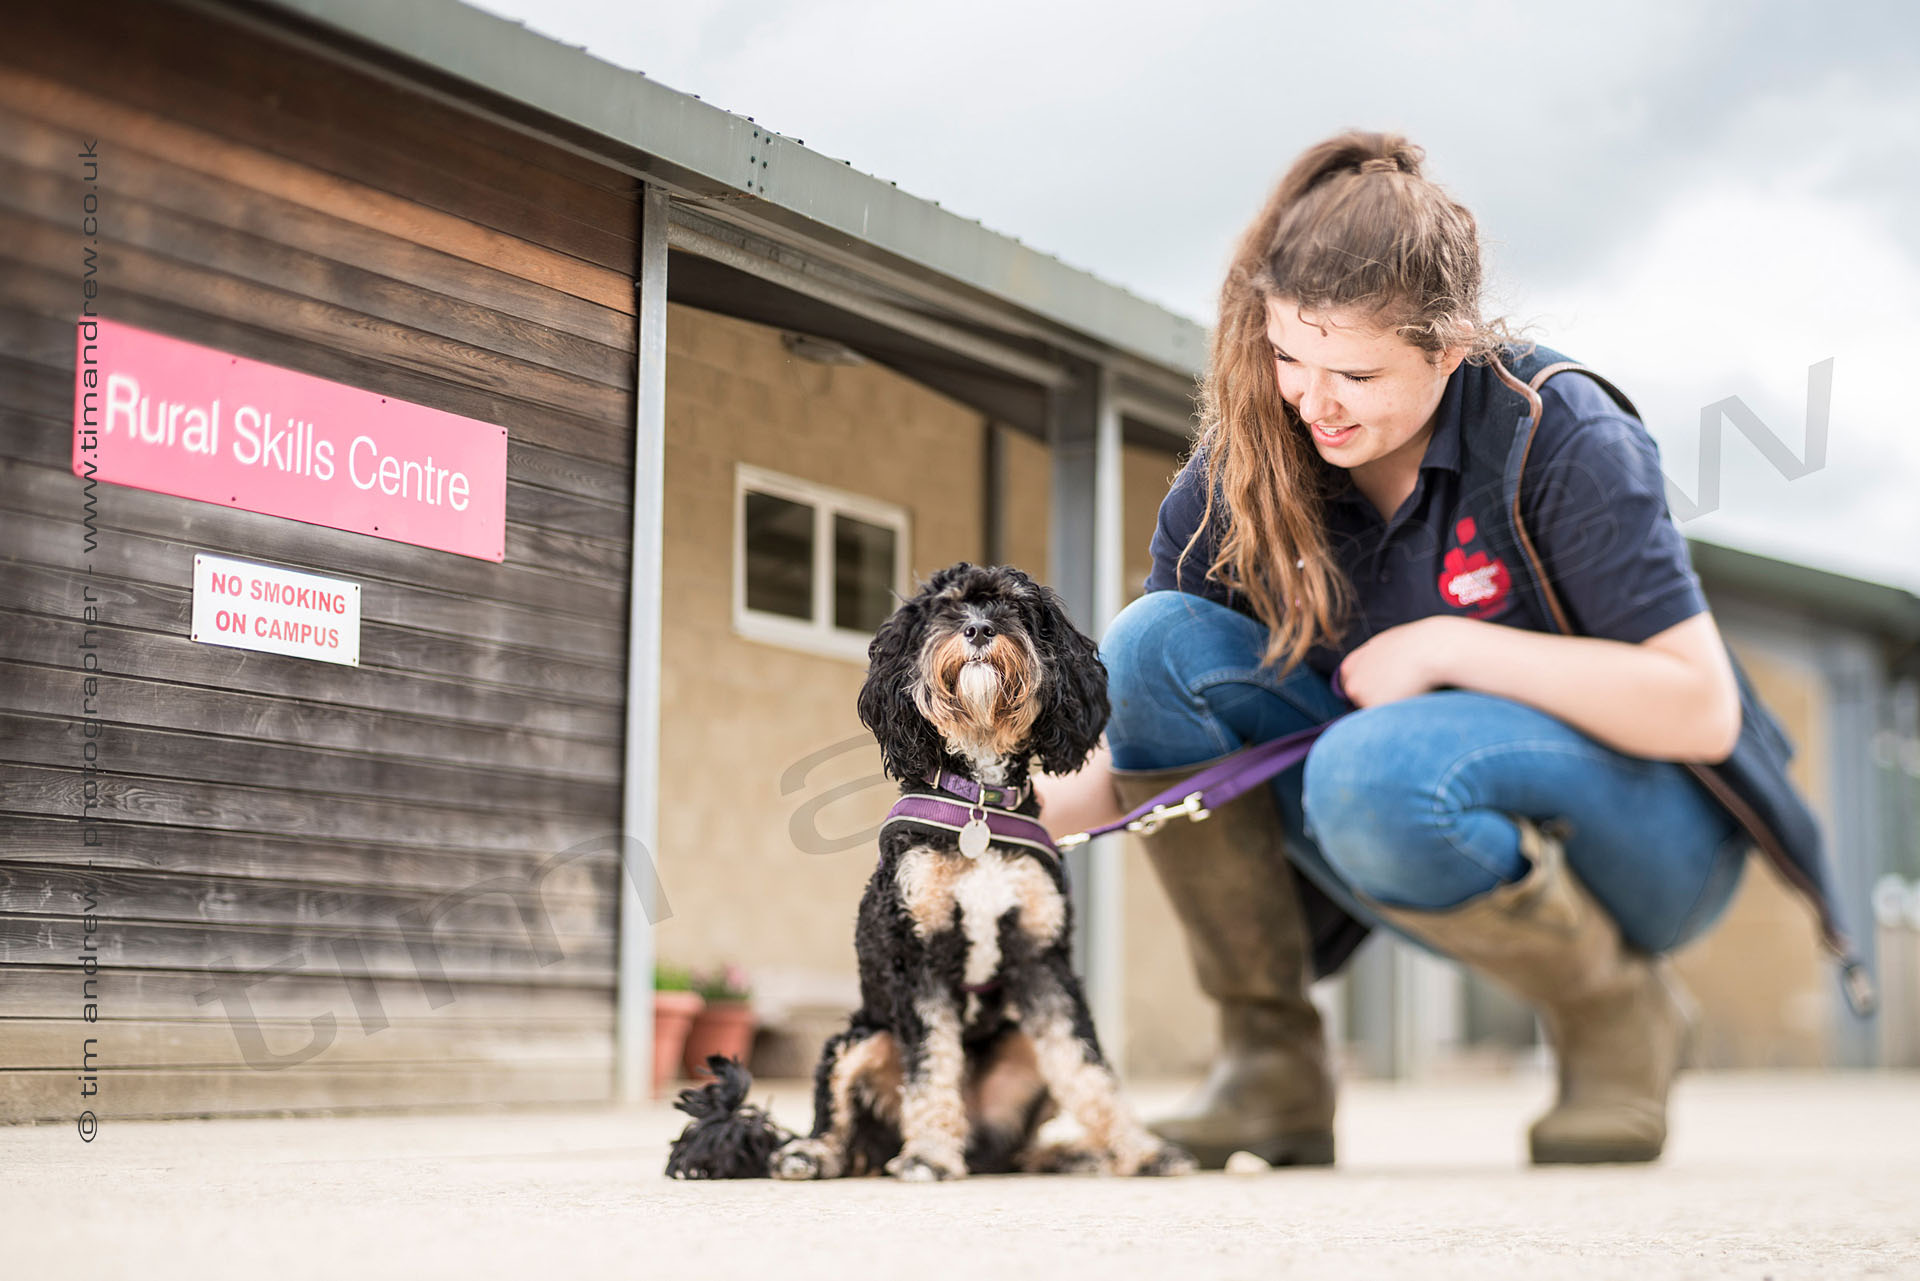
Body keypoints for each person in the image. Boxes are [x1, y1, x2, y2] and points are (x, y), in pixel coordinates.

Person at [1032, 129, 1848, 1169]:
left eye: (1358, 373)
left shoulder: (1560, 434)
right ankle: (1269, 1064)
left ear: (1450, 347)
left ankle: (1616, 1012)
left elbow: (1698, 706)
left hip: (1652, 837)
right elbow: (1161, 741)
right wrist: (999, 816)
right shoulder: (1245, 469)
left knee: (1372, 768)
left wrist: (1449, 646)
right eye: (1290, 356)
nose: (1313, 402)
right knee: (1151, 646)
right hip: (1378, 797)